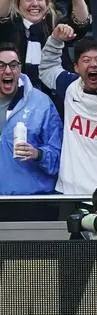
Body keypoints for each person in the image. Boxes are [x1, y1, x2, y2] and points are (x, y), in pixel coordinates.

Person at [40, 25, 97, 197]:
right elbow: (47, 69)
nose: (93, 64)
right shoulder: (70, 87)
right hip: (70, 191)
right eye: (86, 60)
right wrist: (55, 39)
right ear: (76, 67)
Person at [0, 43, 61, 220]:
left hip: (32, 203)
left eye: (13, 65)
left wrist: (38, 154)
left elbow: (59, 157)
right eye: (1, 66)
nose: (8, 71)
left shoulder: (41, 103)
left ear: (20, 68)